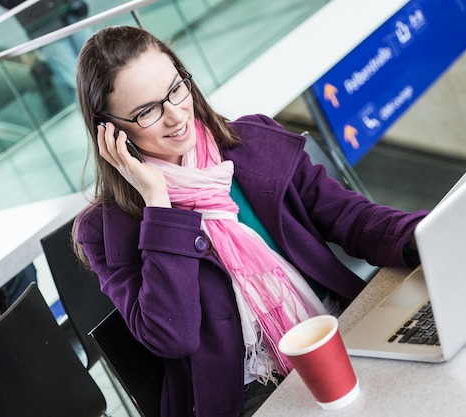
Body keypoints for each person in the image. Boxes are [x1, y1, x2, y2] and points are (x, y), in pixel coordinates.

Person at [72, 25, 429, 417]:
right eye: (147, 112)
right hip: (246, 392)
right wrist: (159, 206)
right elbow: (172, 335)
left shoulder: (252, 144)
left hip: (333, 331)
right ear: (109, 130)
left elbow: (350, 218)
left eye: (176, 89)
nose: (176, 116)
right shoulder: (106, 230)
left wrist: (425, 234)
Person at [0, 0, 92, 110]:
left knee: (101, 65)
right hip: (44, 27)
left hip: (71, 11)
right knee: (75, 81)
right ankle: (98, 124)